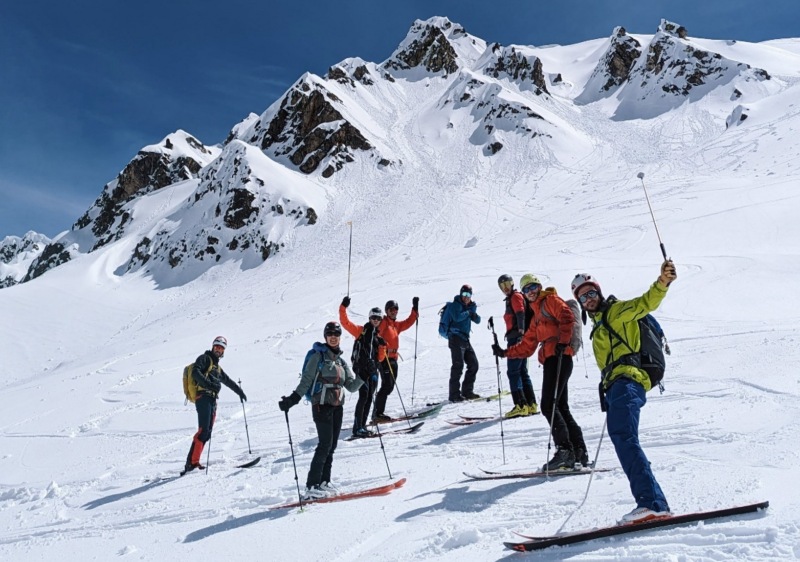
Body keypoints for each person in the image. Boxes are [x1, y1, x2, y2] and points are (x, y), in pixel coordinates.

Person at [571, 259, 677, 524]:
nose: (588, 299)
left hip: (628, 382)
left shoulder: (618, 311)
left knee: (625, 438)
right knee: (625, 439)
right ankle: (654, 502)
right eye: (582, 297)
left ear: (599, 291)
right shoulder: (596, 331)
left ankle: (652, 503)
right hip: (617, 388)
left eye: (591, 292)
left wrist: (662, 282)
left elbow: (646, 302)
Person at [492, 274, 587, 471]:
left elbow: (567, 317)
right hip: (554, 357)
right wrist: (504, 353)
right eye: (526, 290)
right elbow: (527, 346)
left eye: (533, 287)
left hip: (559, 356)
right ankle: (579, 452)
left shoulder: (550, 301)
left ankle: (565, 452)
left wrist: (562, 342)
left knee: (547, 405)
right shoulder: (536, 317)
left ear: (540, 287)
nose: (531, 292)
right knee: (560, 406)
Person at [278, 322, 363, 499]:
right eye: (330, 333)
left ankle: (324, 482)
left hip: (338, 407)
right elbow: (306, 381)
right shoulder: (317, 357)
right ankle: (311, 486)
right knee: (324, 444)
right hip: (321, 406)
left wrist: (365, 375)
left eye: (336, 334)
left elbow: (352, 386)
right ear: (325, 336)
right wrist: (292, 399)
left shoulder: (341, 361)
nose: (333, 336)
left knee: (331, 446)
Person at [183, 336, 247, 475]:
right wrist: (209, 384)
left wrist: (239, 392)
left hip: (212, 400)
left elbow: (227, 381)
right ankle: (192, 464)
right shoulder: (205, 358)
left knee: (207, 432)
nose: (218, 350)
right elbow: (195, 372)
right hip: (203, 398)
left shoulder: (217, 367)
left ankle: (193, 462)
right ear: (212, 347)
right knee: (203, 431)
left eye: (221, 348)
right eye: (217, 347)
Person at [339, 297, 386, 437]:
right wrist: (343, 307)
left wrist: (382, 346)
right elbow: (345, 323)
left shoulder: (377, 337)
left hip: (372, 371)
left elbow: (381, 358)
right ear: (369, 318)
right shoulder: (361, 331)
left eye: (378, 318)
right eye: (373, 317)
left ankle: (362, 426)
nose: (376, 320)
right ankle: (357, 428)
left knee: (369, 396)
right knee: (364, 396)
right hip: (361, 369)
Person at [497, 274, 539, 417]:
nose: (505, 288)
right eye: (502, 286)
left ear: (513, 283)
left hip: (517, 338)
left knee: (513, 372)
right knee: (522, 372)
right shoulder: (514, 297)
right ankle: (531, 404)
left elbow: (520, 313)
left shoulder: (515, 297)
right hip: (520, 337)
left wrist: (520, 333)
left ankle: (520, 405)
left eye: (507, 284)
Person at [371, 297, 419, 421]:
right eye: (391, 309)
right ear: (387, 311)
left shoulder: (395, 325)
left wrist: (415, 308)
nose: (394, 311)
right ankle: (377, 414)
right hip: (384, 358)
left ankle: (378, 413)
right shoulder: (384, 322)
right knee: (387, 385)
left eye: (396, 309)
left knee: (390, 386)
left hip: (393, 359)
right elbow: (375, 333)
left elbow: (408, 322)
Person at [441, 284, 481, 402]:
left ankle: (467, 391)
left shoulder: (469, 307)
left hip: (465, 339)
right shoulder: (455, 305)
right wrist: (469, 313)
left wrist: (472, 313)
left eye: (469, 295)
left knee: (474, 364)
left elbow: (478, 320)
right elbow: (457, 317)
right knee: (458, 366)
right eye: (464, 294)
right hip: (455, 338)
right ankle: (454, 395)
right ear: (460, 294)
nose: (466, 297)